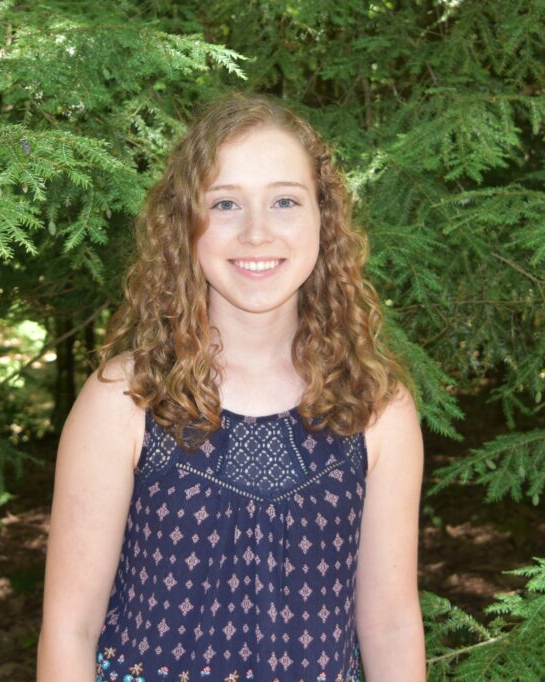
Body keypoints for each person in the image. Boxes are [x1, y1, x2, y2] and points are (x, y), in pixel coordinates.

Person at [37, 91, 425, 681]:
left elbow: (392, 626)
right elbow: (71, 629)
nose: (256, 233)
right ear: (183, 225)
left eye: (285, 201)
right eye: (224, 204)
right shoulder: (125, 398)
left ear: (325, 217)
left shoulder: (377, 409)